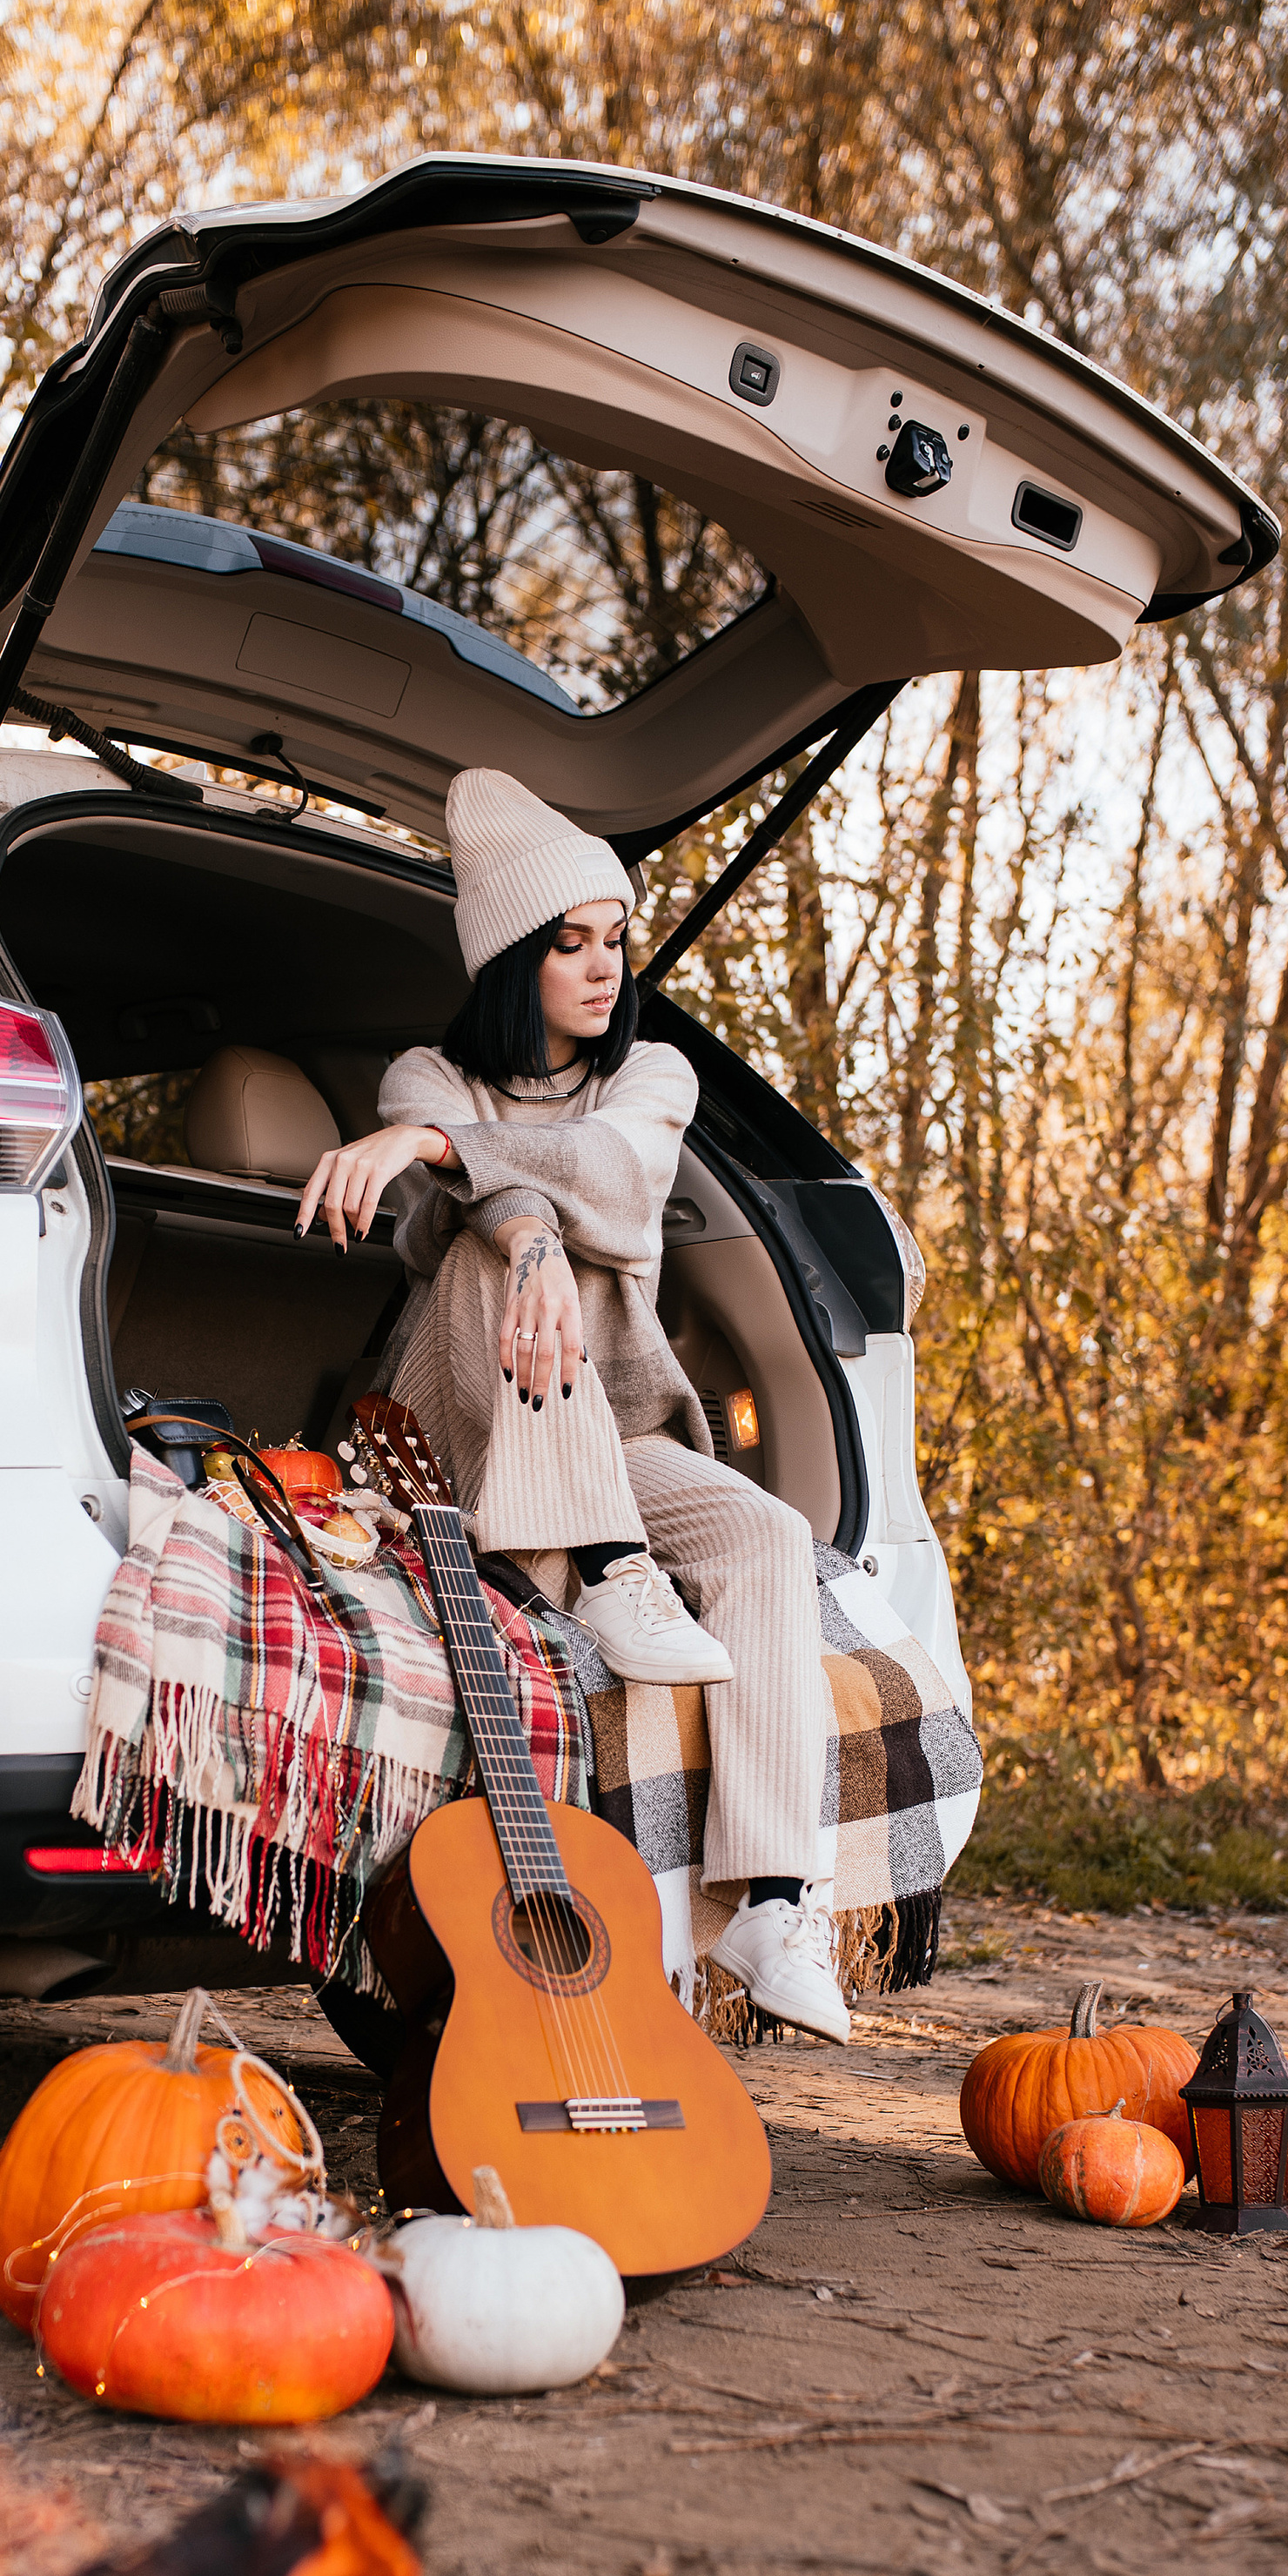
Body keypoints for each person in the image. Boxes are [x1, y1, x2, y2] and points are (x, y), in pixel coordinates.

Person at [294, 766, 847, 2045]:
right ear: (509, 963)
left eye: (614, 941)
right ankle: (601, 1564)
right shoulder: (427, 1073)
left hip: (618, 1430)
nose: (603, 970)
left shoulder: (651, 1075)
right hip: (461, 1441)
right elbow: (507, 1201)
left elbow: (619, 1172)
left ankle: (771, 1899)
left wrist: (458, 1168)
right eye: (568, 945)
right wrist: (512, 1221)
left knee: (765, 1538)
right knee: (500, 1243)